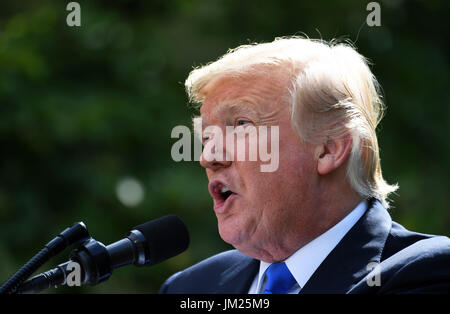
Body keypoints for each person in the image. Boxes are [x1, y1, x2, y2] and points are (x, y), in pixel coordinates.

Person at [159, 36, 450, 293]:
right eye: (207, 136)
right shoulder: (190, 286)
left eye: (240, 125)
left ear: (328, 148)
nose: (208, 157)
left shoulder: (425, 273)